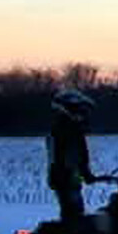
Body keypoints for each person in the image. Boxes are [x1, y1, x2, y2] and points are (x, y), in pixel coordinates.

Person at [47, 90, 98, 225]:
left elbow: (79, 156)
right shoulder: (64, 130)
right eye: (80, 110)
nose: (83, 115)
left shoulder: (72, 129)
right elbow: (67, 157)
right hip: (65, 177)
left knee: (75, 213)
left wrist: (86, 174)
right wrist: (82, 173)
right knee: (73, 216)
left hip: (69, 177)